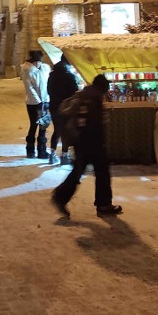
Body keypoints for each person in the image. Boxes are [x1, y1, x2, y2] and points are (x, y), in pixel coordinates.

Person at [51, 74, 122, 219]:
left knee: (79, 170)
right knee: (101, 171)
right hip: (91, 142)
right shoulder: (94, 97)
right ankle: (103, 204)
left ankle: (61, 196)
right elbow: (94, 123)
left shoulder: (84, 93)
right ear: (103, 88)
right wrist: (99, 142)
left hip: (81, 141)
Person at [47, 54, 79, 165]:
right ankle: (64, 156)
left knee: (56, 130)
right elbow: (74, 91)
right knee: (65, 131)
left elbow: (48, 91)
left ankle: (52, 154)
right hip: (66, 107)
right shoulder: (69, 76)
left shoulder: (52, 75)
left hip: (54, 106)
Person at [20, 50, 49, 159]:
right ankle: (30, 149)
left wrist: (46, 100)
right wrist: (38, 102)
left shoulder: (44, 69)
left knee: (43, 126)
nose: (38, 64)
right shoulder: (27, 70)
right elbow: (29, 88)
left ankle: (42, 150)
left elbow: (47, 84)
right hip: (33, 103)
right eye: (36, 62)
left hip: (45, 101)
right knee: (34, 124)